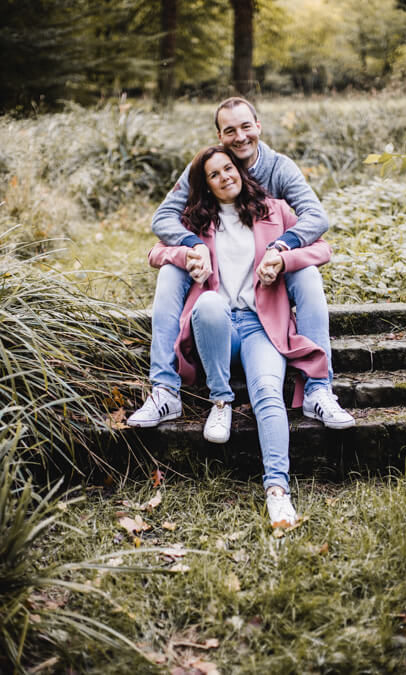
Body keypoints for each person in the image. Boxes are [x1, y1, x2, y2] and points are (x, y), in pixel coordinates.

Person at [128, 96, 354, 430]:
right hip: (215, 298)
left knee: (306, 274)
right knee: (169, 272)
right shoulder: (207, 168)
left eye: (246, 126)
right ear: (220, 136)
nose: (240, 136)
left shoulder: (279, 169)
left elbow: (317, 219)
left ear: (258, 126)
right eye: (230, 130)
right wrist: (192, 245)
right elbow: (162, 219)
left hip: (269, 289)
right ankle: (165, 389)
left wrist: (282, 248)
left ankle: (318, 390)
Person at [142, 145, 332, 526]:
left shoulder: (274, 210)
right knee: (209, 304)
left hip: (262, 326)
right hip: (217, 330)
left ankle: (277, 490)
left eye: (228, 168)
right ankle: (221, 400)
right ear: (206, 185)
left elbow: (322, 247)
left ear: (240, 171)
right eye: (214, 174)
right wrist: (189, 254)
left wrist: (282, 257)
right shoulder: (196, 221)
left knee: (267, 395)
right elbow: (155, 252)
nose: (225, 176)